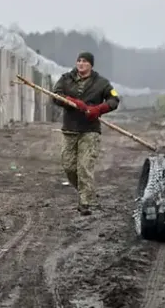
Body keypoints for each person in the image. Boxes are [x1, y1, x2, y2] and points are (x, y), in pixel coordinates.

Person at [51, 51, 120, 216]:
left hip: (90, 131)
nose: (81, 64)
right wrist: (74, 102)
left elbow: (114, 99)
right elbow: (56, 95)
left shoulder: (101, 83)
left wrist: (99, 109)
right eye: (79, 61)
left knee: (84, 167)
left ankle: (85, 203)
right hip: (70, 129)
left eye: (84, 61)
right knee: (68, 166)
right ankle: (87, 192)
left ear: (91, 65)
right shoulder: (66, 79)